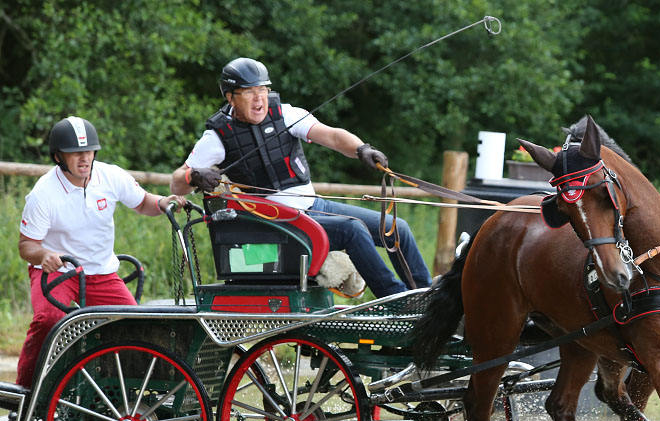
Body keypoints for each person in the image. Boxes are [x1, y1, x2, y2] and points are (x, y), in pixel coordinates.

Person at [170, 57, 431, 297]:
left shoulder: (286, 114)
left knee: (397, 227)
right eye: (249, 92)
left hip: (315, 207)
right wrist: (194, 175)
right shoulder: (216, 137)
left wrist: (361, 149)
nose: (258, 98)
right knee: (353, 230)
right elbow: (177, 182)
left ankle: (424, 295)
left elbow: (332, 136)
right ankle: (395, 298)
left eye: (262, 90)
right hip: (278, 222)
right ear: (230, 97)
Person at [15, 116, 186, 389]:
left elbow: (143, 203)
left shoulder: (110, 175)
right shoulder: (43, 194)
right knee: (49, 321)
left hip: (102, 273)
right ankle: (23, 393)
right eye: (75, 153)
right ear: (59, 157)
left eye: (89, 151)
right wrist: (42, 255)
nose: (84, 158)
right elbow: (27, 245)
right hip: (60, 272)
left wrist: (163, 202)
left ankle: (123, 399)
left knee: (133, 327)